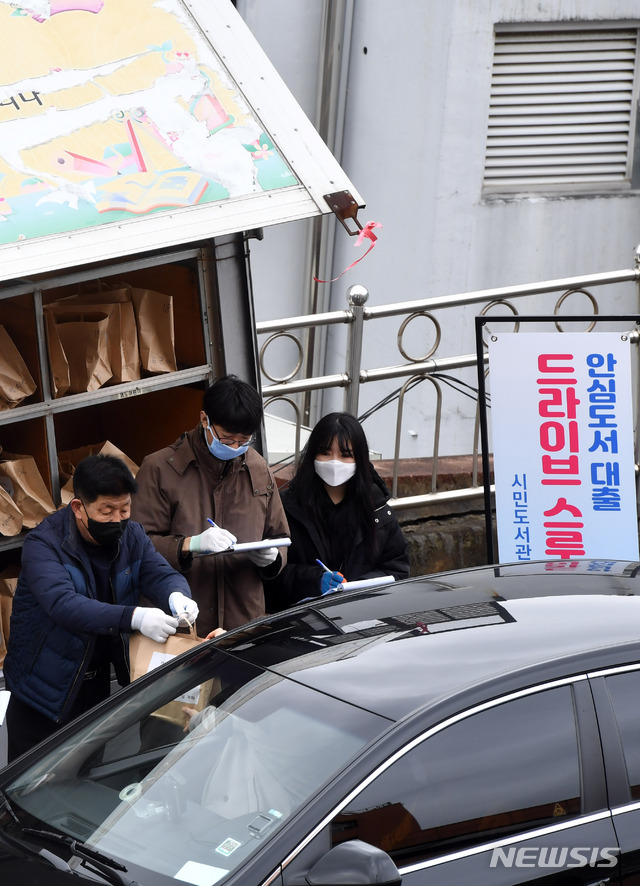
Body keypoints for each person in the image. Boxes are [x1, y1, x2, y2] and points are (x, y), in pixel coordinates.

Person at [4, 454, 197, 762]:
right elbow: (63, 605)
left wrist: (178, 596)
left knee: (85, 774)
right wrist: (134, 617)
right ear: (79, 507)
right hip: (43, 688)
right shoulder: (44, 544)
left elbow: (159, 573)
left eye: (125, 509)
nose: (118, 519)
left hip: (95, 684)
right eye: (107, 511)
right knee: (30, 785)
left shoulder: (132, 535)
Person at [131, 374, 289, 634]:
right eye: (227, 439)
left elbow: (280, 535)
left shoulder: (258, 468)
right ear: (205, 420)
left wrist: (272, 558)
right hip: (183, 625)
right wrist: (188, 545)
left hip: (244, 623)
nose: (237, 446)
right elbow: (137, 546)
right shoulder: (160, 469)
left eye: (244, 440)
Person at [265, 411, 410, 610]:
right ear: (312, 454)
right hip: (300, 622)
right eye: (325, 452)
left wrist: (355, 588)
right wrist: (314, 580)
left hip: (360, 619)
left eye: (345, 455)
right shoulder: (287, 507)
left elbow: (398, 569)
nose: (335, 462)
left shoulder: (377, 510)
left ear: (359, 458)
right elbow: (272, 576)